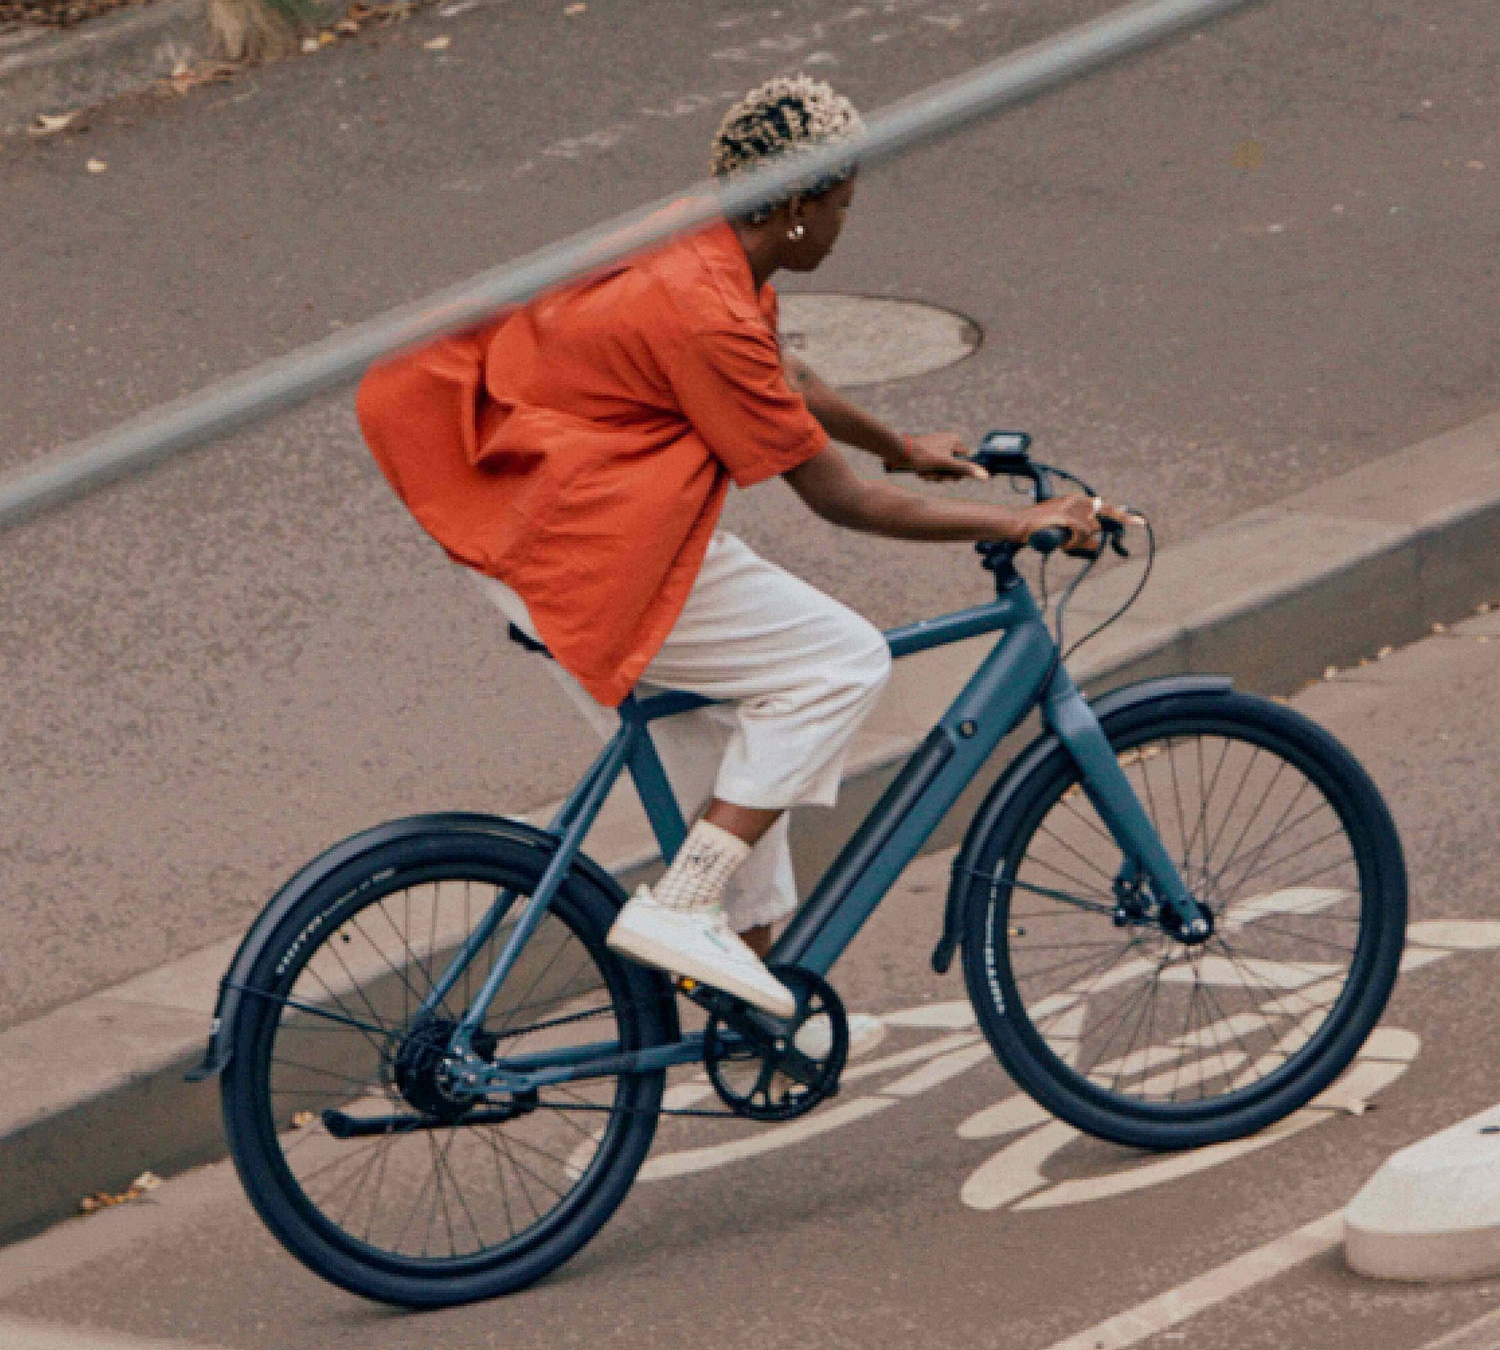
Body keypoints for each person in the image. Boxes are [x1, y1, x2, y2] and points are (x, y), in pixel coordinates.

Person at [358, 74, 1115, 1039]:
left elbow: (783, 370)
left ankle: (749, 1005)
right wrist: (1016, 524)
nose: (846, 221)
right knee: (838, 664)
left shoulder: (706, 233)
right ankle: (683, 910)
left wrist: (899, 442)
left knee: (744, 775)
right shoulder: (703, 309)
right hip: (582, 549)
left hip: (539, 520)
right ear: (799, 207)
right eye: (842, 204)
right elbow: (839, 502)